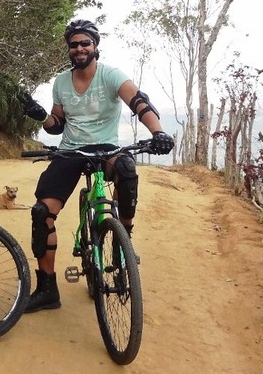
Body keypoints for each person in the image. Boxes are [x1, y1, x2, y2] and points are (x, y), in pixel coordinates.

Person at [18, 18, 174, 313]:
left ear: (95, 46)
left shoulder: (111, 75)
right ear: (69, 49)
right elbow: (57, 125)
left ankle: (122, 239)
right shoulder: (62, 82)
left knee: (127, 172)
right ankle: (47, 288)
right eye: (74, 44)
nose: (79, 49)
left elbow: (140, 103)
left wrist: (158, 132)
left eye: (85, 43)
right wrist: (40, 115)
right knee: (42, 214)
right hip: (71, 151)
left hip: (107, 149)